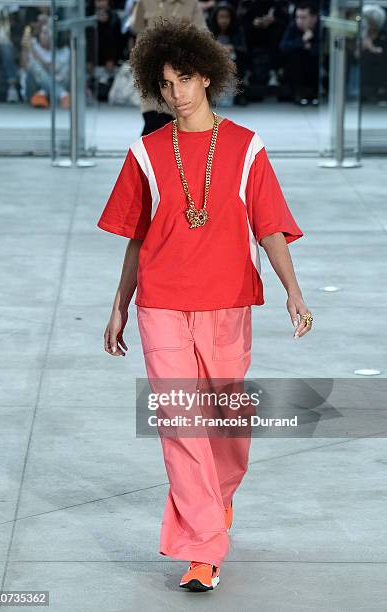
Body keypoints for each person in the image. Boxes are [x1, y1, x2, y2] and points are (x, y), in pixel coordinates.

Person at [96, 16, 313, 593]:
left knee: (226, 425)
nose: (176, 93)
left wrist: (293, 291)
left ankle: (216, 500)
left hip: (227, 301)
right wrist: (120, 304)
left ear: (207, 78)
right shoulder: (146, 153)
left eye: (185, 80)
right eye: (165, 85)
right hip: (161, 302)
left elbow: (268, 227)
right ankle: (201, 548)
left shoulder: (245, 147)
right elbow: (137, 237)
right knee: (179, 424)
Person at [129, 0, 207, 135]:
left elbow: (202, 33)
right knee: (153, 119)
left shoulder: (191, 3)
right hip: (152, 66)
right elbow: (137, 28)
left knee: (175, 119)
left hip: (180, 66)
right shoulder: (145, 2)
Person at [279, 1, 320, 105]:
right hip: (297, 67)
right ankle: (297, 93)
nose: (299, 21)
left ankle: (315, 92)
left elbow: (326, 49)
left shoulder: (321, 28)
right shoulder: (293, 26)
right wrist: (302, 42)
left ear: (314, 18)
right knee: (294, 55)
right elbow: (283, 46)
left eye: (303, 17)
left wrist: (311, 47)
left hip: (316, 66)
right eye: (297, 17)